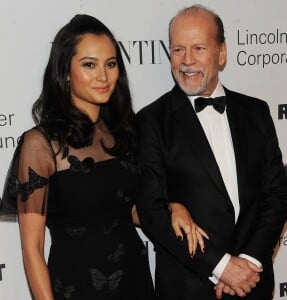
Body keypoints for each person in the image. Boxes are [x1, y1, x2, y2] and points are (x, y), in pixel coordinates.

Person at [0, 14, 208, 300]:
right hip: (77, 286)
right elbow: (32, 249)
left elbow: (131, 211)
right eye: (89, 65)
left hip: (134, 280)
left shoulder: (125, 132)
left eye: (111, 64)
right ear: (65, 72)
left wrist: (172, 208)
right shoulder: (41, 145)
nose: (103, 76)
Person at [135, 4, 287, 300]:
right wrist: (221, 268)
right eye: (178, 49)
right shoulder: (150, 121)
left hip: (253, 285)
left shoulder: (256, 112)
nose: (187, 61)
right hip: (188, 289)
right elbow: (152, 212)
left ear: (221, 53)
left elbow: (277, 193)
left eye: (198, 48)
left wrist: (250, 262)